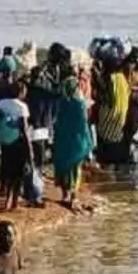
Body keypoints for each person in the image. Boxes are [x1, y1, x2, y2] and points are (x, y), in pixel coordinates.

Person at [51, 76, 94, 207]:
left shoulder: (61, 103)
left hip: (62, 140)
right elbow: (83, 125)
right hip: (77, 141)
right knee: (75, 169)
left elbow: (56, 122)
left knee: (63, 167)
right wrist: (89, 144)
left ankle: (65, 194)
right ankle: (73, 196)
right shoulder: (80, 104)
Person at [0, 79, 33, 208]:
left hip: (4, 141)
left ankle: (7, 199)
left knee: (7, 169)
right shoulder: (22, 107)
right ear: (21, 92)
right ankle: (14, 201)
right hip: (18, 142)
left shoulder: (0, 104)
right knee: (18, 173)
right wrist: (30, 149)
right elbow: (25, 129)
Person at [94, 54, 131, 166]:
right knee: (116, 137)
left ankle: (105, 162)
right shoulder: (121, 77)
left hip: (109, 111)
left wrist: (97, 75)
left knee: (104, 136)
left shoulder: (109, 78)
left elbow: (106, 94)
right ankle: (116, 164)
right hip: (122, 111)